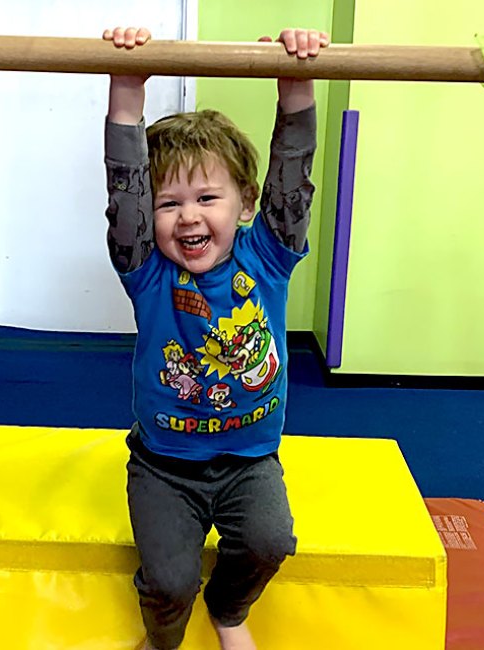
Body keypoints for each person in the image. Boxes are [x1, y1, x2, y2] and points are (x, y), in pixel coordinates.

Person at [102, 25, 328, 650]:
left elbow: (292, 178)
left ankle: (229, 610)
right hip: (164, 466)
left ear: (245, 203)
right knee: (169, 583)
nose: (190, 215)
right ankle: (164, 636)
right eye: (169, 203)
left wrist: (296, 84)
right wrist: (125, 91)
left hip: (249, 460)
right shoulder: (147, 270)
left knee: (270, 541)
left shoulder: (269, 255)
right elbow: (125, 192)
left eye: (208, 197)